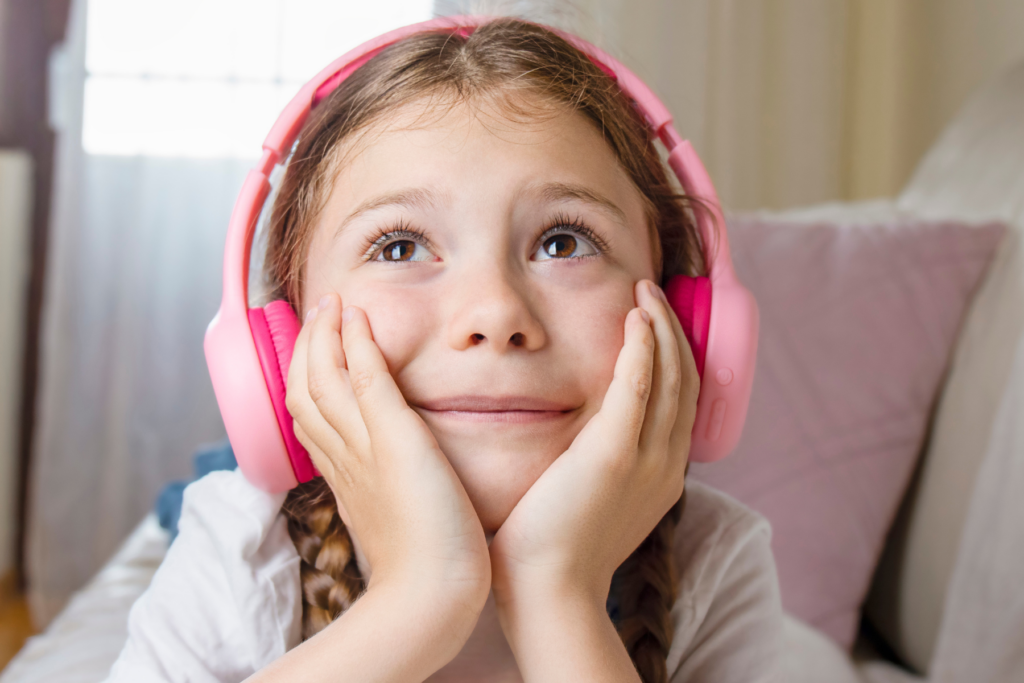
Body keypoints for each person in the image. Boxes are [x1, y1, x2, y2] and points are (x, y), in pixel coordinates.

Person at [104, 17, 783, 683]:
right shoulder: (239, 545)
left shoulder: (714, 559)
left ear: (680, 311)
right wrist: (419, 598)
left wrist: (557, 593)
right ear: (286, 332)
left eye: (564, 242)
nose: (494, 314)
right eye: (398, 246)